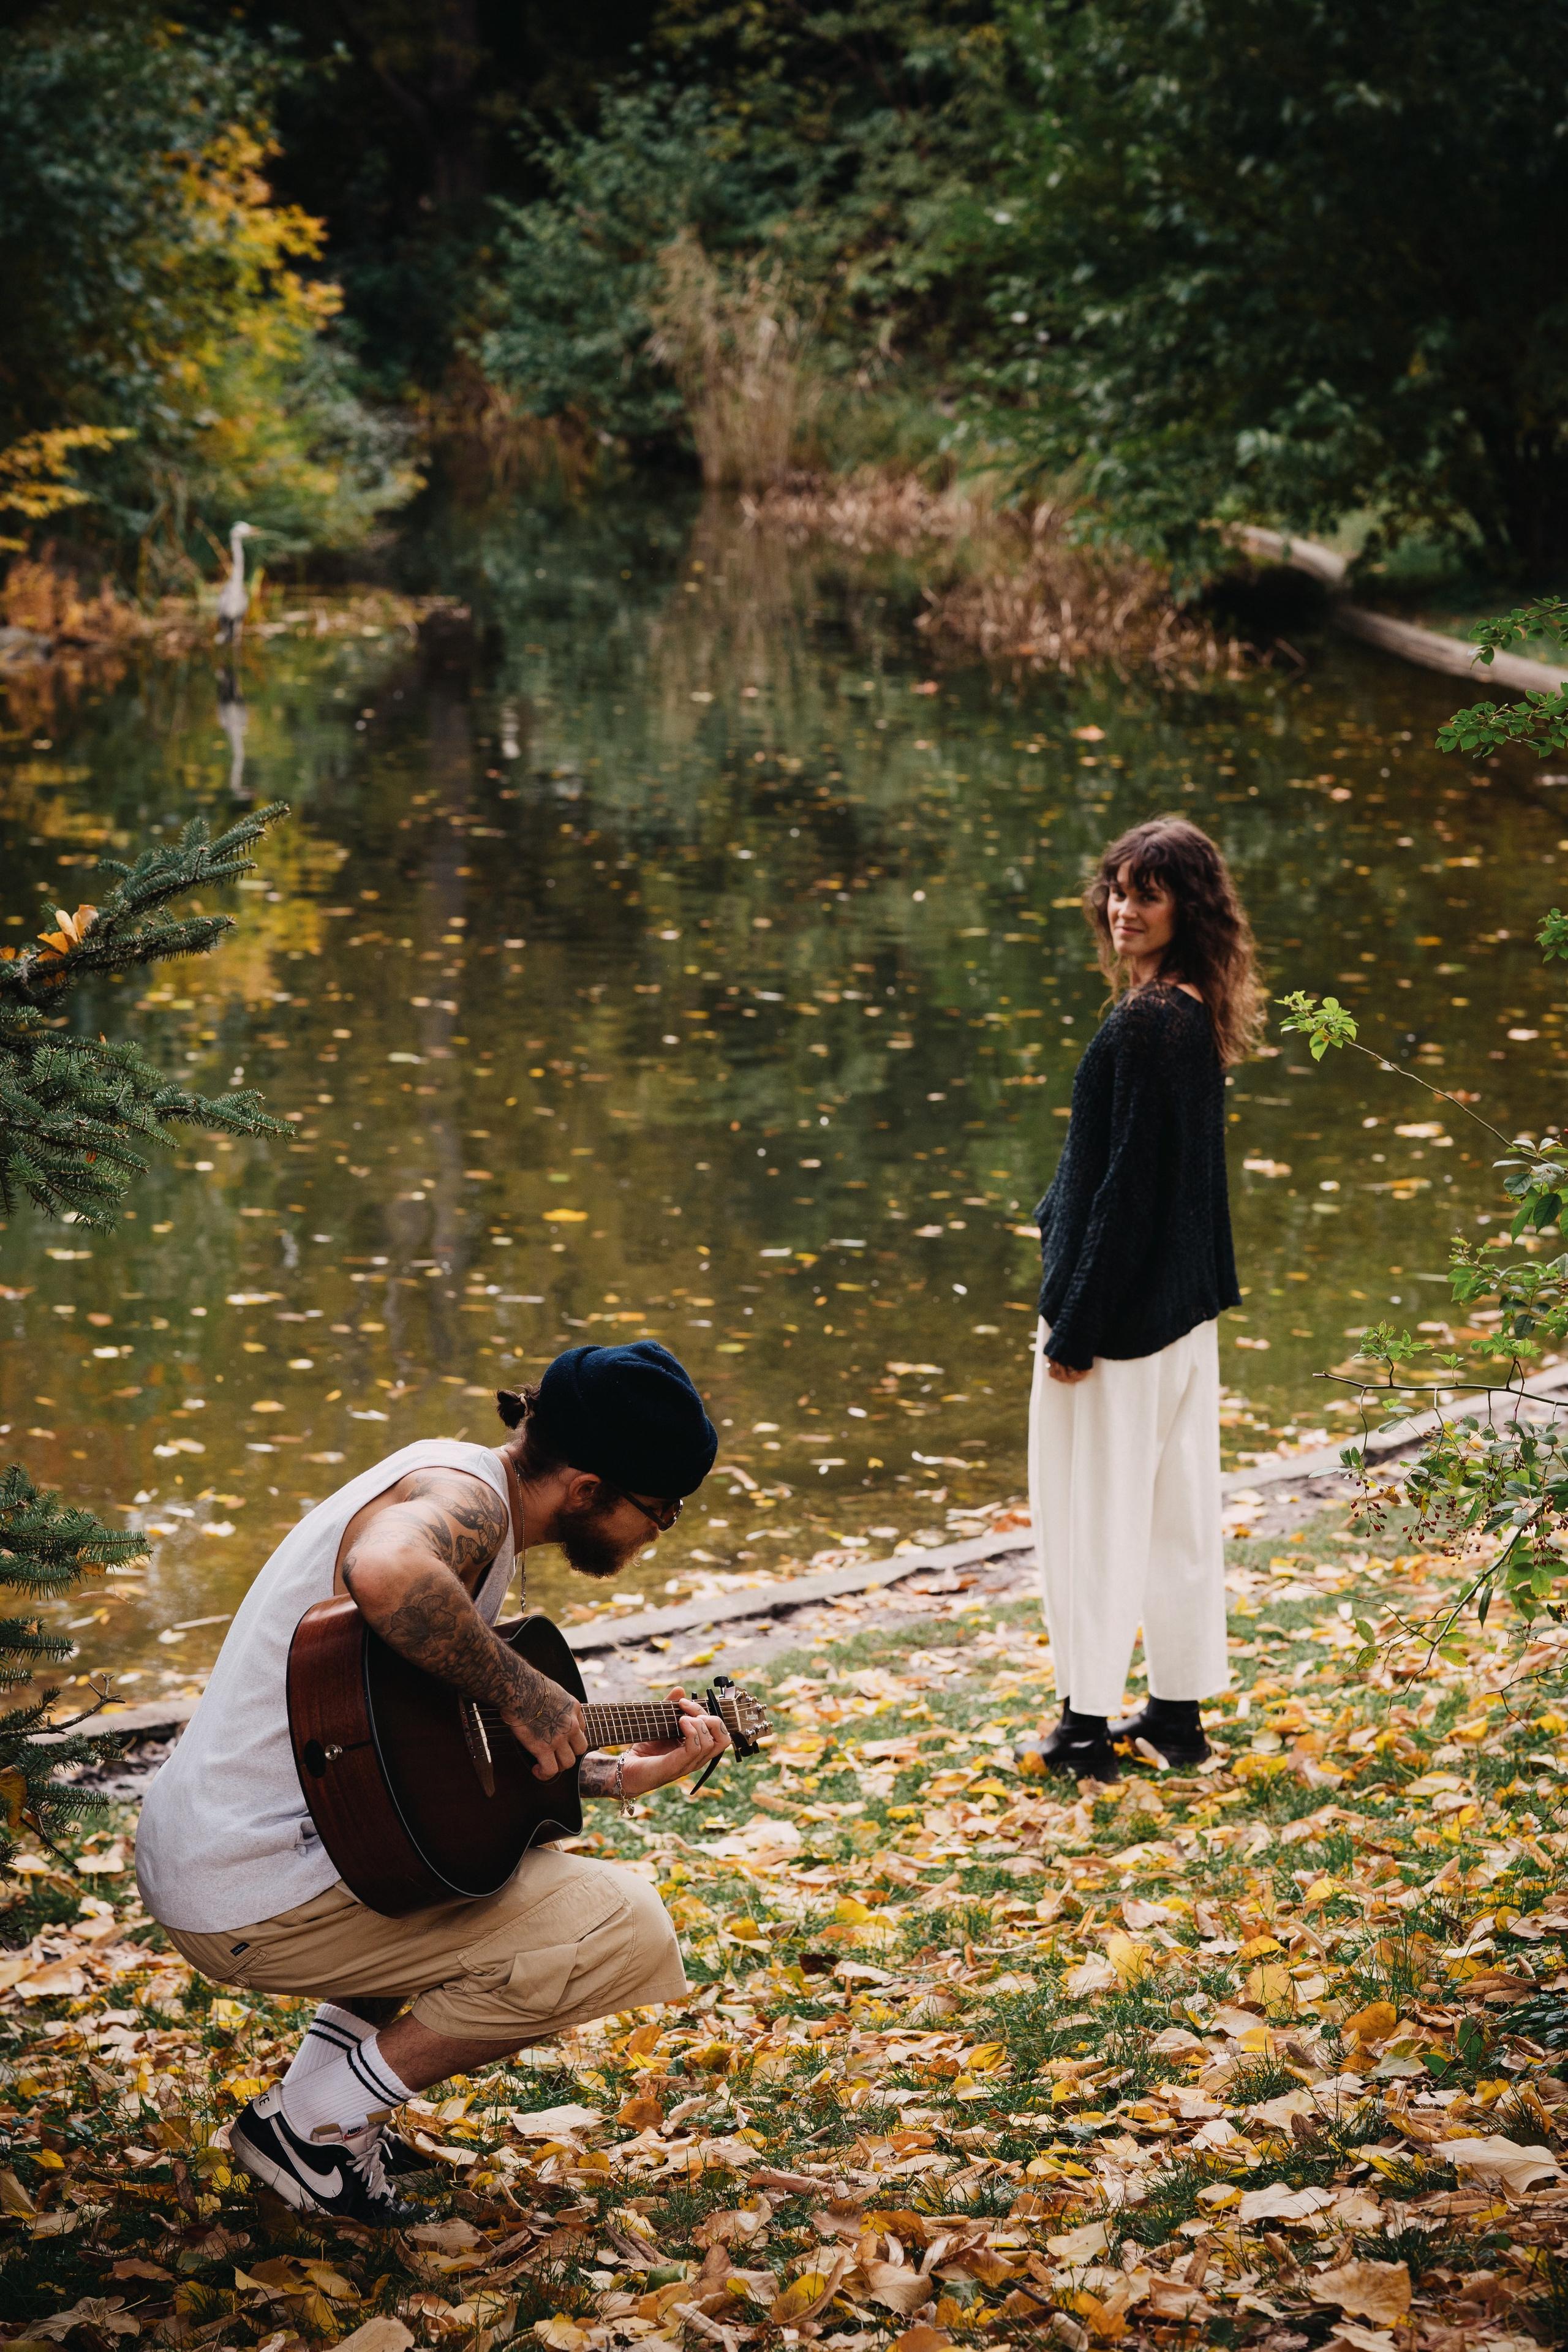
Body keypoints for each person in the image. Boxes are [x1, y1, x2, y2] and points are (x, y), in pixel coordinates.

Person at [135, 1341, 730, 2225]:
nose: (660, 1531)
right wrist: (525, 1687)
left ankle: (325, 2114)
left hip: (234, 1852)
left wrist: (610, 1774)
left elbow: (421, 1760)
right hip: (250, 1888)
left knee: (452, 1864)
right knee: (622, 1926)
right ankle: (312, 2124)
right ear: (587, 1490)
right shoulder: (464, 1504)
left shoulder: (447, 1477)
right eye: (663, 1510)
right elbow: (386, 1573)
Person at [1020, 818, 1261, 1782]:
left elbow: (1124, 1191)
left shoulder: (1148, 1020)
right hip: (1176, 1317)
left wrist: (1074, 1321)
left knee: (1093, 1520)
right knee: (1173, 1515)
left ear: (1184, 908)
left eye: (1147, 894)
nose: (1123, 909)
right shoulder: (1189, 1007)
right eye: (1118, 889)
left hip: (1117, 1325)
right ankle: (1175, 1718)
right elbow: (1155, 1177)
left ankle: (1085, 1732)